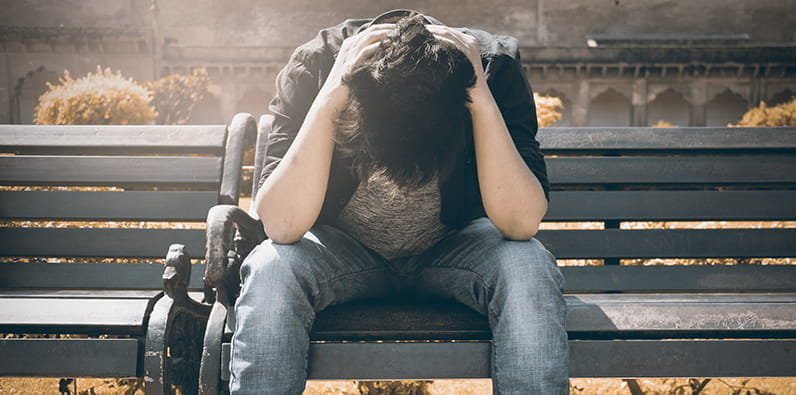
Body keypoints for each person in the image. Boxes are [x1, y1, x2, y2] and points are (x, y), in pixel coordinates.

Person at [230, 9, 568, 394]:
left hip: (454, 248)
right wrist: (329, 101)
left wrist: (480, 100)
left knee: (527, 264)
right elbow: (282, 225)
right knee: (272, 267)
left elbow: (521, 223)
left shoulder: (491, 67)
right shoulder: (317, 65)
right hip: (343, 253)